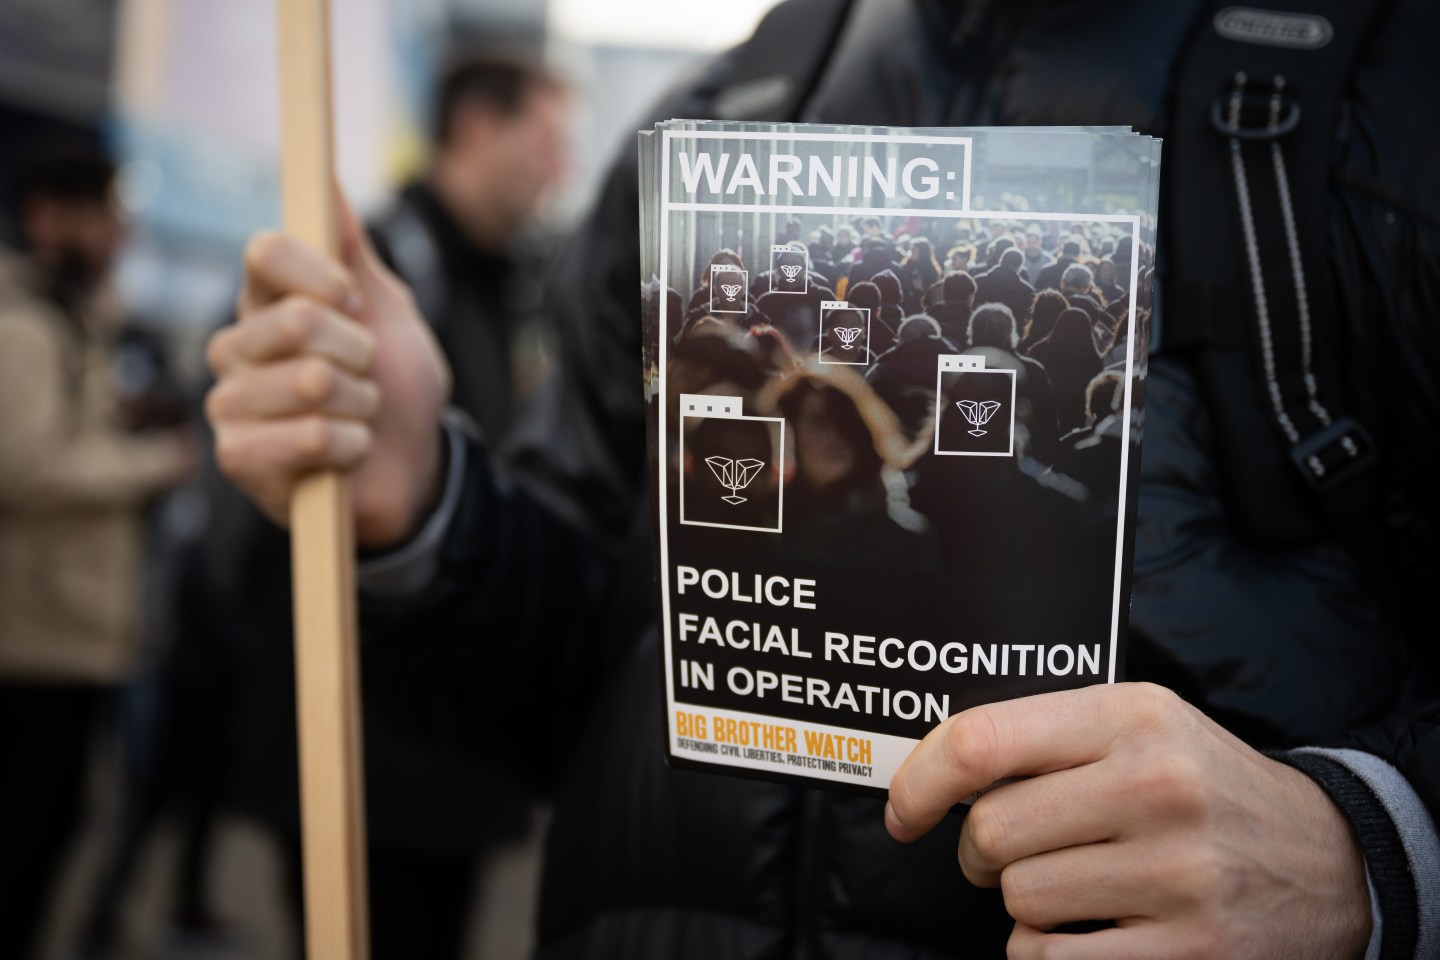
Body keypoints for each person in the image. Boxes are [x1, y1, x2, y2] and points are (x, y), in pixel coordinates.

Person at [205, 1, 1439, 957]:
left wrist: (1375, 854)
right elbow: (590, 688)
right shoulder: (725, 106)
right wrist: (428, 504)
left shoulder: (1389, 87)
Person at [0, 139, 192, 959]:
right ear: (49, 218)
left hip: (74, 636)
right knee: (22, 845)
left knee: (53, 831)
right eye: (103, 213)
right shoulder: (22, 324)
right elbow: (23, 466)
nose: (117, 233)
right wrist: (154, 463)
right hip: (32, 641)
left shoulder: (74, 315)